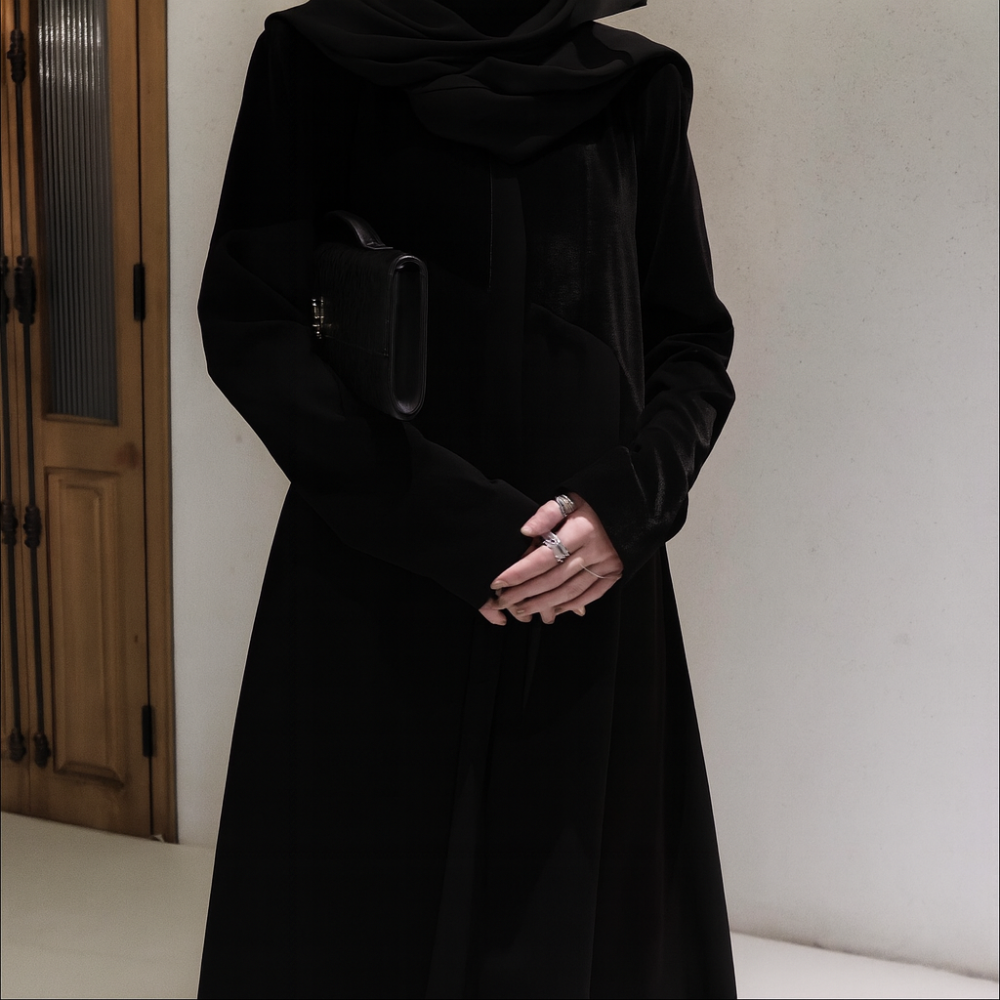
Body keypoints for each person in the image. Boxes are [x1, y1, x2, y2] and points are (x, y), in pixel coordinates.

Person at [196, 1, 737, 996]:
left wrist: (624, 510)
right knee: (365, 909)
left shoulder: (634, 83)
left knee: (557, 899)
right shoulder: (314, 61)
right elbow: (252, 325)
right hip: (378, 558)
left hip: (581, 577)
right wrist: (462, 528)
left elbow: (691, 344)